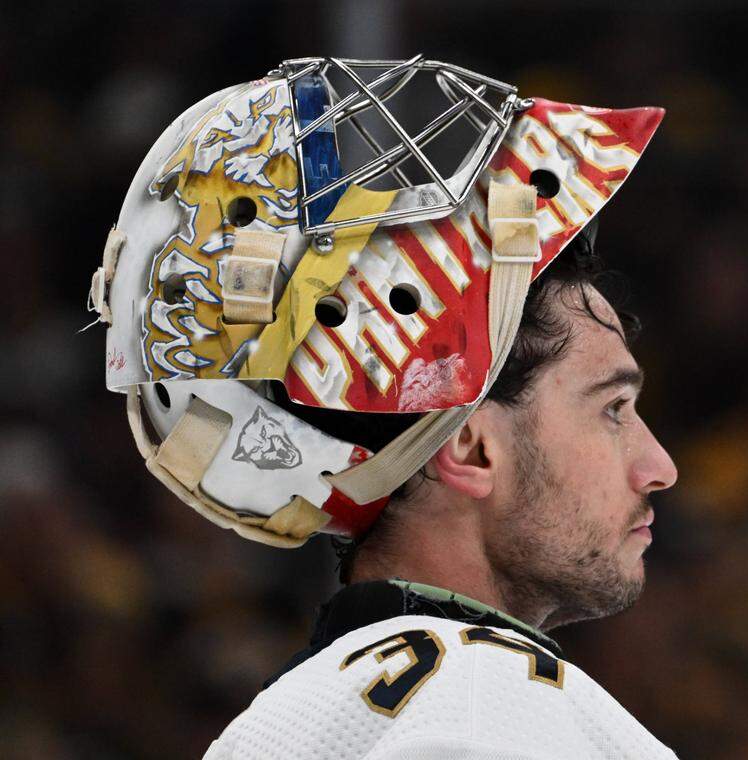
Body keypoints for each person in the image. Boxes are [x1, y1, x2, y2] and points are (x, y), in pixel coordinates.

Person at [90, 55, 679, 758]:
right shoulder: (490, 707)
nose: (659, 466)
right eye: (611, 409)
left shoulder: (268, 728)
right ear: (469, 447)